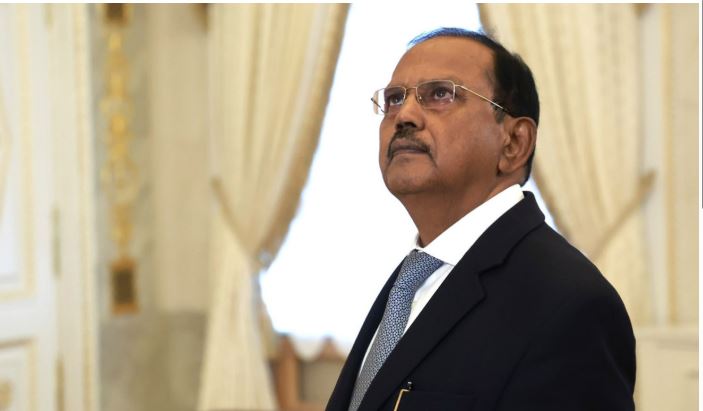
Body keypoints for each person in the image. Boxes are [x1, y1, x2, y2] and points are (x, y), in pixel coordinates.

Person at [325, 28, 635, 411]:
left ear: (514, 142)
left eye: (440, 94)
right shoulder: (414, 278)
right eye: (394, 99)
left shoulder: (570, 304)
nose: (404, 116)